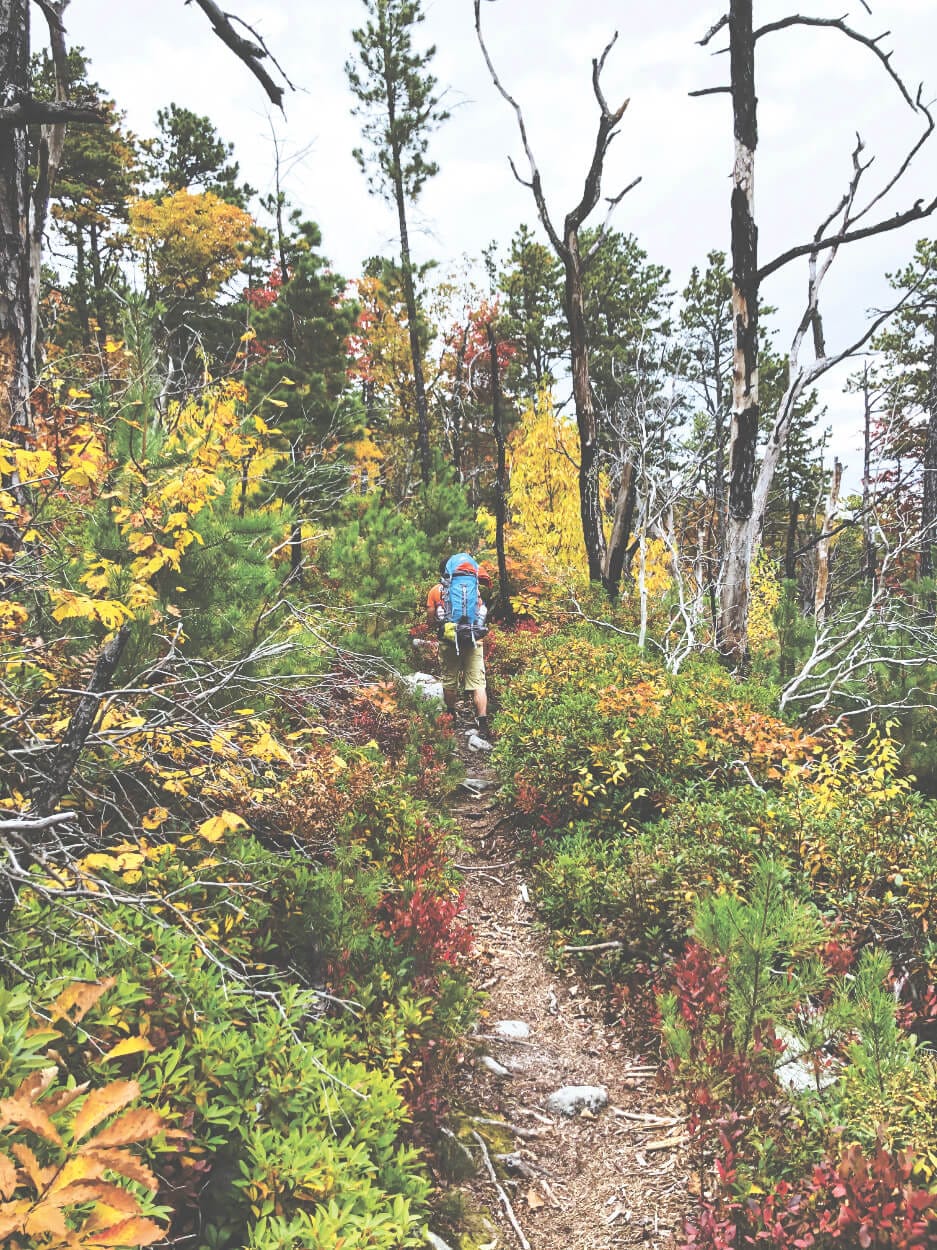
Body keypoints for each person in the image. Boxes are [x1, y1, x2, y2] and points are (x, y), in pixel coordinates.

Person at [427, 555, 491, 739]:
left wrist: (442, 627)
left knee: (449, 679)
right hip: (474, 640)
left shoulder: (435, 591)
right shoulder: (474, 589)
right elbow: (481, 613)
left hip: (449, 640)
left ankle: (451, 715)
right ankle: (483, 721)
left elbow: (431, 620)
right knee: (478, 683)